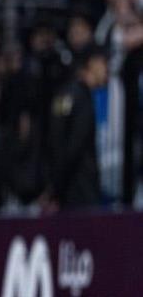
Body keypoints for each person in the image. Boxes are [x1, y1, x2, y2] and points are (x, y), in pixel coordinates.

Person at [42, 46, 108, 211]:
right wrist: (57, 189)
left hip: (68, 189)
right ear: (91, 64)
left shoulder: (66, 94)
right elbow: (72, 147)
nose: (106, 69)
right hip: (80, 192)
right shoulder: (80, 97)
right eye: (103, 63)